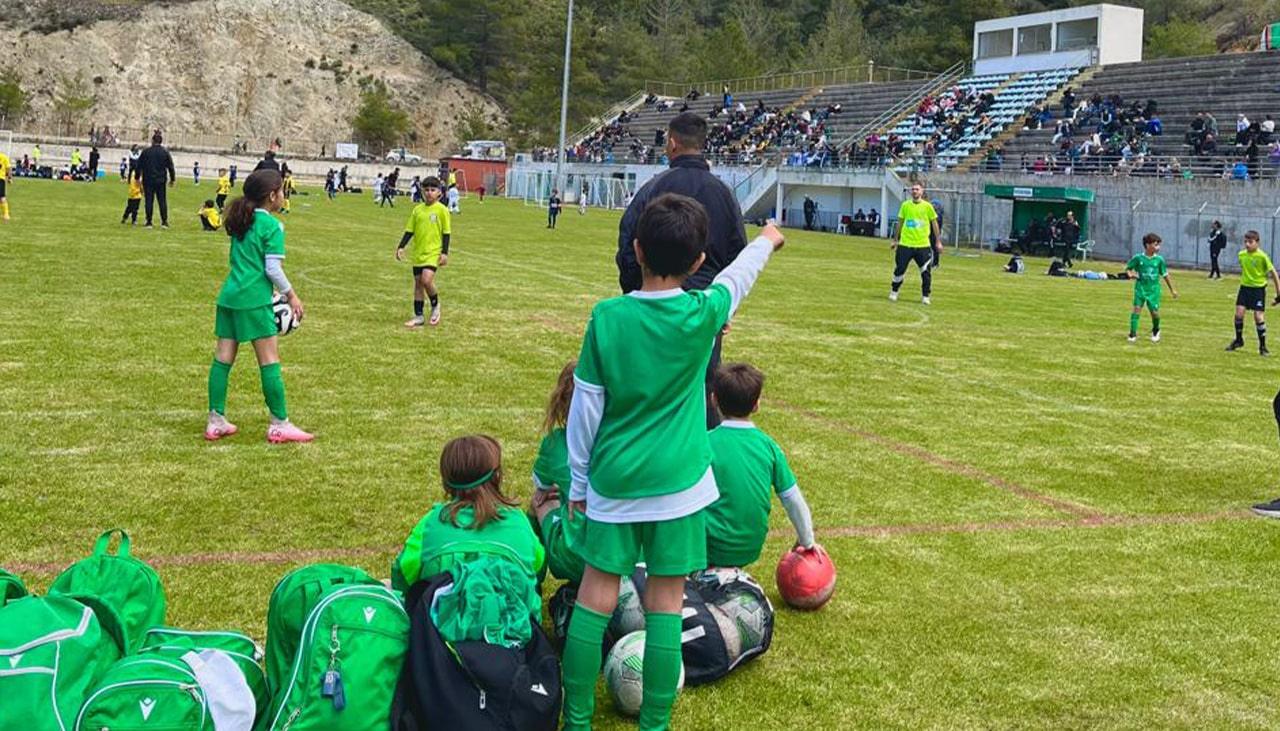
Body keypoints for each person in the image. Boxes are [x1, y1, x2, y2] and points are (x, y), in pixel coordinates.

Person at [562, 194, 782, 730]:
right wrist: (766, 240)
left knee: (595, 598)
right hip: (680, 487)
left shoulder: (608, 317)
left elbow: (585, 408)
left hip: (615, 482)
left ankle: (577, 721)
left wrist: (579, 482)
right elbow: (737, 280)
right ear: (698, 260)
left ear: (636, 250)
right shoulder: (702, 313)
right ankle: (654, 724)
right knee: (665, 604)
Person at [615, 112, 750, 429]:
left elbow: (627, 246)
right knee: (703, 390)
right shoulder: (724, 195)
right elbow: (738, 257)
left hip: (654, 307)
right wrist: (723, 307)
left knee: (649, 387)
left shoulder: (653, 188)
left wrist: (637, 293)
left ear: (672, 144)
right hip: (704, 308)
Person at [389, 435, 543, 631]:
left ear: (446, 482)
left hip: (440, 637)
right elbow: (537, 565)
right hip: (514, 633)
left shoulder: (431, 523)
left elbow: (402, 575)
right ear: (497, 476)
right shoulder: (518, 521)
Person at [205, 169, 313, 443]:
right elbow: (272, 268)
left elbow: (249, 261)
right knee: (269, 361)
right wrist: (291, 296)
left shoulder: (241, 218)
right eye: (282, 191)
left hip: (229, 296)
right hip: (253, 300)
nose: (284, 196)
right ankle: (279, 423)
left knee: (222, 359)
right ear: (272, 196)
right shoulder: (272, 226)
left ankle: (215, 420)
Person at [704, 363, 815, 570]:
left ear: (713, 399)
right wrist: (807, 541)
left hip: (707, 547)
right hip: (749, 548)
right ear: (756, 405)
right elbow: (793, 499)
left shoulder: (704, 444)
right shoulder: (769, 447)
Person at [529, 361, 587, 585]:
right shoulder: (622, 441)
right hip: (630, 553)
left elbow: (541, 484)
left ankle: (532, 582)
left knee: (539, 500)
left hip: (578, 558)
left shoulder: (556, 443)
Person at [395, 176, 450, 328]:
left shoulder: (442, 210)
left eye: (433, 190)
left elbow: (446, 233)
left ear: (439, 192)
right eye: (426, 190)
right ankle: (418, 316)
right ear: (422, 191)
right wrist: (401, 247)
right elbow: (409, 230)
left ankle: (435, 305)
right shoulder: (417, 210)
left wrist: (444, 253)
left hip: (433, 253)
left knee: (426, 280)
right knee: (418, 284)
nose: (429, 193)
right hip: (418, 252)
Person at [1226, 230, 1280, 356]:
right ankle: (1238, 340)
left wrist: (1279, 294)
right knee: (1239, 314)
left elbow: (1274, 274)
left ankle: (1262, 346)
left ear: (1257, 242)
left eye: (1250, 242)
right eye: (1245, 242)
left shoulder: (1262, 256)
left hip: (1258, 290)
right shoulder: (1241, 255)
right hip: (1245, 288)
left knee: (1258, 316)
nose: (1247, 244)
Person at [889, 183, 941, 305]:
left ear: (922, 192)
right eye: (913, 189)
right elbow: (900, 223)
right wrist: (895, 240)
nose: (914, 191)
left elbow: (934, 224)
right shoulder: (905, 205)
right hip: (905, 244)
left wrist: (938, 241)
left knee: (926, 272)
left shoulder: (928, 207)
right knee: (900, 269)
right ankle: (894, 291)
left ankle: (925, 296)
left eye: (917, 189)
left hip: (923, 245)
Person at [1125, 233, 1178, 344]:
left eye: (1159, 245)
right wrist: (1131, 274)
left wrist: (1172, 290)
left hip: (1154, 290)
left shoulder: (1159, 260)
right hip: (1140, 288)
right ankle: (1132, 334)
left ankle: (1156, 330)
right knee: (1136, 309)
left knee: (1154, 313)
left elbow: (1165, 275)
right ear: (1148, 245)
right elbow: (1128, 268)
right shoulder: (1138, 258)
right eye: (1156, 244)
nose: (1158, 247)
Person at [136, 131, 176, 228]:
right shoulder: (165, 152)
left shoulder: (146, 152)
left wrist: (137, 177)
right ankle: (164, 222)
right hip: (161, 180)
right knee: (162, 201)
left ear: (152, 141)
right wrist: (172, 179)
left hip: (148, 179)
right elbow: (170, 166)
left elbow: (139, 165)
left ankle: (149, 221)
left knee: (149, 200)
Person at [0, 147, 11, 221]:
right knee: (2, 197)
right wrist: (9, 178)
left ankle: (6, 215)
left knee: (2, 198)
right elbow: (8, 168)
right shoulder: (4, 157)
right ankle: (6, 215)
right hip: (1, 179)